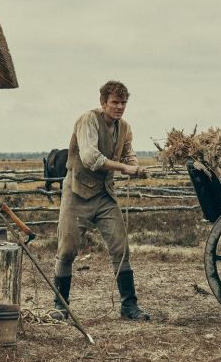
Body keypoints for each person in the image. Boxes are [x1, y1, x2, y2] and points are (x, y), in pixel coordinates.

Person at [52, 80, 152, 322]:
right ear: (103, 103)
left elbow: (128, 152)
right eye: (115, 102)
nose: (119, 107)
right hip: (77, 193)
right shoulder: (87, 121)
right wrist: (124, 168)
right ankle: (60, 305)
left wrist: (135, 166)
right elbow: (90, 158)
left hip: (105, 195)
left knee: (121, 248)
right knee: (66, 251)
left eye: (123, 103)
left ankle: (129, 306)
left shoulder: (125, 127)